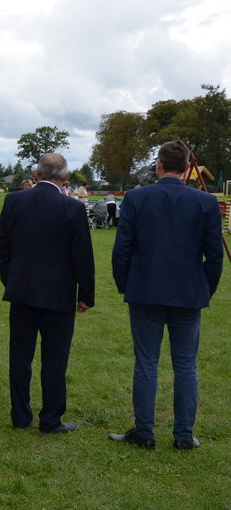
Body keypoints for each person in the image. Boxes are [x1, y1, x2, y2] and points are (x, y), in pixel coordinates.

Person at [109, 140, 223, 450]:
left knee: (147, 363)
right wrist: (204, 288)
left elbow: (122, 250)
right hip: (185, 293)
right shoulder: (204, 202)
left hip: (147, 291)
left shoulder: (138, 197)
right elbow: (214, 256)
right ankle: (182, 435)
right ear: (186, 168)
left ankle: (146, 432)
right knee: (185, 366)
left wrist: (127, 285)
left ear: (159, 165)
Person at [0, 153, 95, 434]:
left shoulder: (14, 201)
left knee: (20, 356)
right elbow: (83, 255)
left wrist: (10, 280)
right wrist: (86, 294)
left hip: (22, 291)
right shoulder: (72, 207)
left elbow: (3, 248)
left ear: (37, 173)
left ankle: (20, 416)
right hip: (58, 294)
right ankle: (50, 419)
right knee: (55, 358)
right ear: (65, 177)